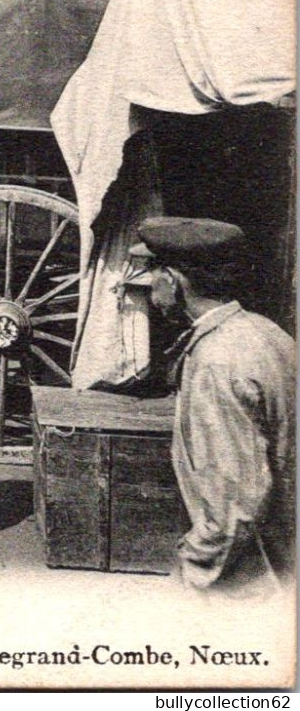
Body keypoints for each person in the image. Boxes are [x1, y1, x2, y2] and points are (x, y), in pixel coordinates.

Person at [124, 218, 295, 595]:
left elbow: (233, 509)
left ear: (172, 279)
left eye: (153, 273)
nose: (150, 285)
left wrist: (193, 577)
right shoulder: (265, 332)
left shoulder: (217, 363)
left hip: (247, 581)